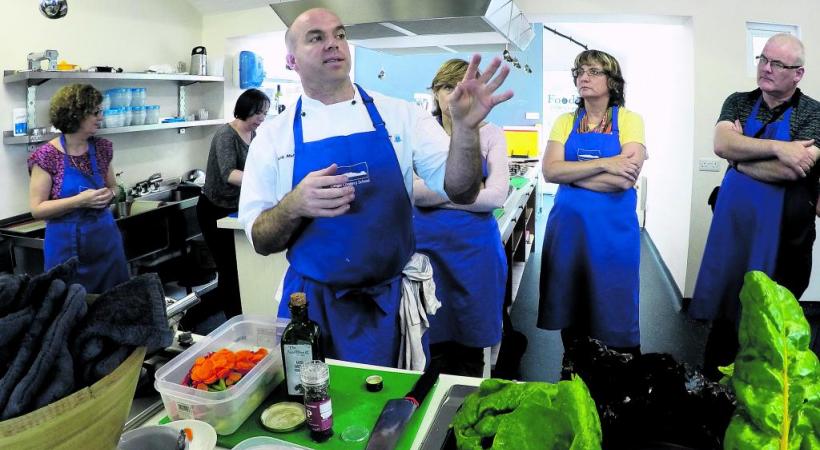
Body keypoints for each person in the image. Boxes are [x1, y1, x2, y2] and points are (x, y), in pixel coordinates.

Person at [238, 7, 512, 367]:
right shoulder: (274, 136)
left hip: (391, 303)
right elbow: (260, 240)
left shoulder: (397, 115)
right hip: (312, 308)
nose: (333, 45)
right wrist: (294, 205)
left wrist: (465, 130)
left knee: (396, 410)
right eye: (316, 38)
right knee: (314, 409)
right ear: (291, 60)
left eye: (339, 35)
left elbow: (461, 189)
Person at [691, 33, 820, 379]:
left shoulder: (813, 113)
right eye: (763, 59)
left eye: (777, 63)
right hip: (734, 231)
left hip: (786, 239)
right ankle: (714, 389)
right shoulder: (738, 101)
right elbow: (721, 142)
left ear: (798, 73)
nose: (766, 68)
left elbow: (797, 168)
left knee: (772, 321)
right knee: (726, 315)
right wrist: (779, 148)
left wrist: (740, 157)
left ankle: (763, 394)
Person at [538, 50, 647, 357]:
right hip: (568, 232)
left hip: (612, 234)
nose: (583, 77)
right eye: (579, 72)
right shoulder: (565, 121)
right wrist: (605, 163)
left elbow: (625, 178)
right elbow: (549, 171)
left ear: (612, 81)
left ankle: (617, 371)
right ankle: (573, 365)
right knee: (570, 303)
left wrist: (571, 175)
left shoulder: (629, 120)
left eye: (593, 72)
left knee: (614, 302)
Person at [413, 59, 509, 377]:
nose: (454, 94)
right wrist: (470, 188)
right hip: (425, 256)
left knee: (470, 349)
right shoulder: (419, 133)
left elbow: (496, 197)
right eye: (446, 87)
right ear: (435, 92)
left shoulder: (492, 134)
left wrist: (434, 194)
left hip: (475, 257)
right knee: (427, 346)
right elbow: (412, 193)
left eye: (462, 87)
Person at [28, 84, 129, 294]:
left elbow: (115, 187)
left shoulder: (102, 149)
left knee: (115, 306)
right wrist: (80, 201)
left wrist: (110, 194)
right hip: (64, 251)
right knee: (69, 310)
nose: (100, 117)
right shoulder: (47, 156)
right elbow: (37, 209)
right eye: (95, 112)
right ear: (76, 114)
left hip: (106, 245)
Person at [194, 88, 269, 323]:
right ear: (246, 109)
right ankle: (228, 320)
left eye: (265, 114)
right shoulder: (226, 134)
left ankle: (237, 316)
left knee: (237, 269)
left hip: (235, 209)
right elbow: (229, 174)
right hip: (214, 209)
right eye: (258, 113)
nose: (261, 119)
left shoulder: (253, 136)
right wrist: (260, 179)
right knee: (228, 269)